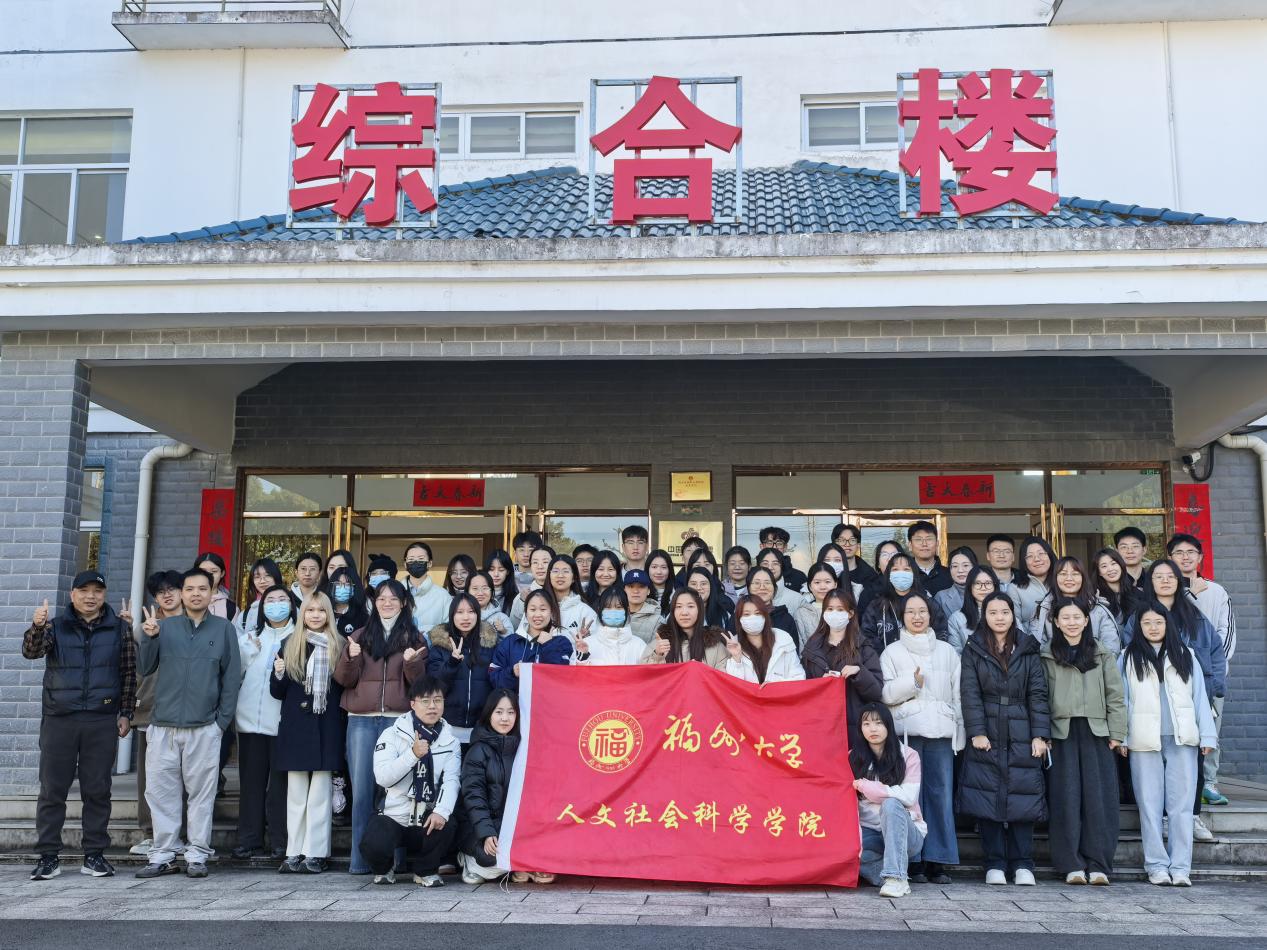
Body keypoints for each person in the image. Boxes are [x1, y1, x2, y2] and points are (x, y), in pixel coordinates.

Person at [24, 571, 136, 882]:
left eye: (97, 591)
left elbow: (129, 672)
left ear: (104, 595)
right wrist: (37, 626)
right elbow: (31, 652)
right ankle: (48, 857)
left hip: (101, 718)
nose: (91, 596)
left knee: (97, 790)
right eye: (84, 590)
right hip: (59, 718)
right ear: (73, 594)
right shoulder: (55, 626)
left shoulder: (120, 628)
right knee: (52, 790)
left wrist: (126, 712)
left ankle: (94, 855)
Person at [136, 568, 242, 880]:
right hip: (163, 726)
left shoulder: (223, 629)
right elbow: (145, 666)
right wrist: (149, 638)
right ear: (182, 594)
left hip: (204, 727)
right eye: (190, 589)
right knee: (161, 793)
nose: (196, 594)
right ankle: (164, 854)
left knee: (201, 795)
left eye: (202, 589)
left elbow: (231, 678)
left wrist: (221, 723)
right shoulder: (164, 628)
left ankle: (197, 854)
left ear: (212, 593)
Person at [1122, 559, 1225, 843]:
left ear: (1179, 581)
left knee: (1193, 765)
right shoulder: (1139, 616)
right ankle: (1164, 820)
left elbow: (1215, 652)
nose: (1165, 581)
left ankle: (1191, 816)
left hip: (1189, 699)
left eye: (1171, 576)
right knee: (1153, 772)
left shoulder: (1195, 616)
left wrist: (1215, 686)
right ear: (1150, 582)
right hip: (1150, 703)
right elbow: (1128, 652)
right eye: (1159, 576)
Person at [333, 578, 429, 876]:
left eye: (393, 598)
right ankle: (360, 862)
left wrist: (412, 663)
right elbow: (344, 680)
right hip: (361, 721)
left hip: (398, 721)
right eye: (381, 598)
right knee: (362, 793)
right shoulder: (359, 636)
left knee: (396, 794)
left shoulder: (415, 638)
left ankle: (394, 862)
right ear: (374, 603)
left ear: (404, 603)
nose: (387, 603)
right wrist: (350, 658)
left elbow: (421, 686)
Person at [1120, 604, 1217, 887]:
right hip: (1143, 740)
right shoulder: (1127, 657)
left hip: (1182, 739)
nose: (1153, 627)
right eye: (1147, 622)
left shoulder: (1186, 655)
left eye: (1158, 622)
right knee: (1149, 806)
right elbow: (1122, 700)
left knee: (1182, 807)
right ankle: (1156, 866)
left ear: (1168, 624)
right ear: (1139, 627)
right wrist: (1122, 736)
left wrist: (1207, 736)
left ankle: (1181, 867)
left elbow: (1200, 698)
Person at [958, 591, 1050, 886]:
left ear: (1013, 615)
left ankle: (1023, 863)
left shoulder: (1027, 647)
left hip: (1022, 727)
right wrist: (977, 731)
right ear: (984, 616)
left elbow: (1038, 693)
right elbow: (969, 692)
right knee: (987, 796)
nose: (999, 617)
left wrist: (1040, 735)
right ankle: (994, 862)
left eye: (1005, 612)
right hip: (987, 726)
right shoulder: (974, 647)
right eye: (993, 612)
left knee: (1023, 796)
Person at [1041, 597, 1127, 886]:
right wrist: (1042, 733)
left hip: (1097, 732)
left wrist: (1117, 732)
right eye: (1065, 617)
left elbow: (1115, 695)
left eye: (1077, 617)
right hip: (1060, 733)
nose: (1072, 622)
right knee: (1065, 799)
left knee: (1098, 799)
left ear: (1086, 620)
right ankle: (1071, 864)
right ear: (1055, 621)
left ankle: (1099, 863)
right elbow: (1040, 696)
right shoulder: (1047, 654)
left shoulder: (1101, 653)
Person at [879, 592, 963, 884]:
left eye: (922, 611)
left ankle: (938, 860)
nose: (917, 617)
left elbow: (958, 695)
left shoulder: (947, 651)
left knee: (941, 795)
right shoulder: (891, 652)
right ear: (902, 618)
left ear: (931, 615)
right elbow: (885, 694)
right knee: (909, 797)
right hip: (907, 733)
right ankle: (912, 858)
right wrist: (912, 684)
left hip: (941, 730)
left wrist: (960, 733)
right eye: (910, 612)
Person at [270, 592, 347, 874]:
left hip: (327, 725)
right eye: (310, 610)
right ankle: (294, 851)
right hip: (296, 727)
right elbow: (277, 692)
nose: (315, 615)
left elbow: (346, 684)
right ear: (302, 613)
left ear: (329, 614)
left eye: (321, 610)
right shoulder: (289, 643)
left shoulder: (340, 645)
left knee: (320, 795)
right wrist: (278, 673)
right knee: (296, 794)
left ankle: (315, 852)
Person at [361, 676, 461, 887]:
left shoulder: (450, 740)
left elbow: (451, 781)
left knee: (448, 823)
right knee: (374, 842)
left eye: (437, 700)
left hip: (426, 814)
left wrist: (441, 811)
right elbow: (383, 777)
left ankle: (425, 871)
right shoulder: (392, 734)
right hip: (393, 814)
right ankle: (384, 869)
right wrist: (412, 755)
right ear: (413, 704)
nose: (432, 706)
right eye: (425, 701)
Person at [1167, 533, 1236, 807]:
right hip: (1176, 675)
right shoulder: (1168, 591)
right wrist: (1189, 594)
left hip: (1210, 675)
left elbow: (1226, 633)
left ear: (1200, 557)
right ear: (1169, 558)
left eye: (1191, 552)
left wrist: (1216, 669)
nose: (1185, 557)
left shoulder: (1217, 592)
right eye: (1179, 552)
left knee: (1210, 730)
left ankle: (1209, 783)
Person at [232, 584, 295, 860]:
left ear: (291, 605)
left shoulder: (298, 637)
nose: (276, 604)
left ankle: (281, 841)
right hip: (250, 723)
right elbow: (234, 673)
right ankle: (249, 840)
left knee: (281, 788)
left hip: (282, 724)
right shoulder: (250, 637)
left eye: (282, 599)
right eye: (270, 600)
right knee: (251, 785)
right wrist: (247, 651)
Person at [458, 690, 546, 884]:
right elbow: (474, 798)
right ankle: (469, 860)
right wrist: (486, 833)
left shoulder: (524, 748)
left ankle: (521, 865)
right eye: (499, 712)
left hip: (511, 825)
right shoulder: (478, 750)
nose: (505, 718)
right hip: (479, 825)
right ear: (489, 714)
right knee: (489, 856)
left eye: (511, 712)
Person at [130, 570, 183, 858]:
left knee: (185, 777)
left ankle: (182, 834)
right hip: (150, 711)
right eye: (161, 591)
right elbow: (135, 672)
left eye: (172, 589)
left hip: (187, 713)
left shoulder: (195, 626)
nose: (167, 595)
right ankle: (150, 833)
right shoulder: (143, 629)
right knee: (149, 779)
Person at [852, 702, 927, 898]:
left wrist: (868, 787)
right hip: (870, 834)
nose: (873, 729)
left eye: (878, 723)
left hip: (906, 833)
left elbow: (909, 796)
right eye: (866, 724)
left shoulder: (908, 755)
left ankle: (896, 878)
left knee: (891, 805)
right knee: (845, 857)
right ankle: (893, 869)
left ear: (888, 725)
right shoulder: (852, 758)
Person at [801, 589, 882, 730]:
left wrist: (859, 672)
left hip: (855, 726)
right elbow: (802, 690)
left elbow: (876, 693)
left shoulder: (863, 646)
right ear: (824, 613)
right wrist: (819, 683)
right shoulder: (812, 648)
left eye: (840, 609)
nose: (834, 614)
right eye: (830, 609)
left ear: (850, 613)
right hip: (820, 724)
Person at [426, 593, 498, 745]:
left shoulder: (490, 646)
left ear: (478, 615)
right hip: (446, 728)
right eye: (460, 612)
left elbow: (496, 684)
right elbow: (434, 687)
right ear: (452, 615)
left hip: (481, 729)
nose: (466, 617)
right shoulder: (439, 647)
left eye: (471, 612)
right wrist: (452, 663)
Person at [860, 554, 948, 655]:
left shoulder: (927, 603)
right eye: (895, 569)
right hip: (886, 661)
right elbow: (867, 636)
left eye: (906, 569)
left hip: (924, 660)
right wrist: (886, 657)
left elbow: (941, 632)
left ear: (914, 574)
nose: (901, 573)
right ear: (889, 575)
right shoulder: (877, 605)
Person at [1030, 556, 1122, 653]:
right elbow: (1037, 648)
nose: (1069, 578)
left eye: (1075, 574)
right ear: (1055, 578)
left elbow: (1111, 649)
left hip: (1094, 662)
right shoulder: (1043, 609)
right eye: (1063, 574)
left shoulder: (1098, 610)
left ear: (1083, 578)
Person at [489, 589, 575, 691]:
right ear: (526, 613)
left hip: (548, 700)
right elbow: (494, 678)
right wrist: (512, 672)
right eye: (533, 609)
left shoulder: (561, 642)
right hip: (515, 701)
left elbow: (562, 677)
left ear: (551, 612)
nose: (537, 614)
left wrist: (549, 645)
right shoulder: (509, 642)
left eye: (543, 609)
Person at [722, 596, 805, 684]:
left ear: (765, 616)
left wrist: (775, 683)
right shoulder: (733, 644)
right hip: (749, 693)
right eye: (746, 614)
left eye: (758, 613)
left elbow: (799, 676)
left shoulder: (783, 638)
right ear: (739, 619)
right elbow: (733, 685)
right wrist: (736, 658)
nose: (753, 618)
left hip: (779, 692)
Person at [642, 589, 728, 669]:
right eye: (679, 606)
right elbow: (645, 675)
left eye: (690, 606)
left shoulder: (715, 645)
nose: (684, 612)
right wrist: (657, 656)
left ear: (700, 610)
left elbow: (722, 677)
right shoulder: (660, 642)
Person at [575, 588, 643, 666]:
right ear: (599, 610)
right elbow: (576, 672)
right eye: (607, 607)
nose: (613, 611)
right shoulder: (586, 644)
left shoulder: (639, 645)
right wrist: (582, 658)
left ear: (627, 610)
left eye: (618, 607)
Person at [544, 554, 599, 641]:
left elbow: (595, 643)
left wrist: (586, 640)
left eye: (566, 571)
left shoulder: (585, 611)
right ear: (549, 575)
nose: (560, 575)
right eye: (555, 571)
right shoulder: (538, 605)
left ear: (574, 577)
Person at [404, 542, 452, 637]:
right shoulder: (396, 593)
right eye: (411, 559)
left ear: (429, 563)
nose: (416, 562)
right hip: (399, 645)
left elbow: (449, 627)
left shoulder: (442, 595)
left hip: (433, 645)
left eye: (421, 559)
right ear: (405, 564)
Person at [948, 566, 998, 655]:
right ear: (970, 587)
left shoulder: (1007, 613)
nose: (983, 588)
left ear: (995, 586)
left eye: (988, 583)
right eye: (977, 583)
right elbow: (955, 654)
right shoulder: (956, 619)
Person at [1010, 536, 1056, 629]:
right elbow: (1015, 624)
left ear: (1050, 555)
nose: (1037, 559)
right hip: (1030, 638)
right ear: (1024, 561)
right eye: (1030, 556)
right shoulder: (1015, 588)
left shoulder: (1063, 581)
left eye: (1041, 553)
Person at [795, 563, 841, 646]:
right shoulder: (801, 613)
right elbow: (801, 646)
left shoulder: (844, 609)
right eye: (817, 582)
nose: (822, 587)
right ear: (810, 586)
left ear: (835, 584)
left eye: (827, 582)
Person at [508, 545, 554, 629]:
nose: (540, 567)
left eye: (545, 562)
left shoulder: (561, 592)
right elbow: (513, 626)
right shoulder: (522, 596)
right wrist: (522, 602)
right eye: (535, 562)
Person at [1091, 547, 1137, 627]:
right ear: (1099, 572)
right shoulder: (1096, 598)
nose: (1110, 569)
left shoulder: (1137, 594)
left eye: (1113, 563)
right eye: (1104, 566)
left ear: (1121, 565)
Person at [238, 558, 286, 634]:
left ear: (276, 577)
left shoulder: (288, 608)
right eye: (257, 577)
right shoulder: (245, 615)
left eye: (267, 575)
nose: (262, 581)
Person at [907, 521, 951, 596]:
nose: (924, 544)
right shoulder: (905, 575)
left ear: (937, 543)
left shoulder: (950, 575)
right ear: (910, 545)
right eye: (918, 539)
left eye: (929, 539)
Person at [756, 547, 804, 615]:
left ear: (782, 567)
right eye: (765, 563)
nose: (770, 567)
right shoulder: (748, 596)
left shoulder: (797, 599)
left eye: (775, 563)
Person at [688, 565, 735, 632]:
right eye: (693, 584)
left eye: (703, 584)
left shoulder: (724, 614)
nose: (698, 588)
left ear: (711, 586)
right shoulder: (679, 612)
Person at [934, 546, 977, 620]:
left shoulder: (985, 592)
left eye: (965, 565)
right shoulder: (941, 597)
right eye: (955, 566)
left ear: (974, 567)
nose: (960, 570)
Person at [758, 526, 806, 592]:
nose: (774, 547)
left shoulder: (799, 577)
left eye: (779, 543)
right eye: (769, 543)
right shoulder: (751, 575)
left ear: (785, 547)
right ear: (762, 546)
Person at [832, 523, 879, 590]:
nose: (847, 544)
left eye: (852, 540)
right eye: (842, 540)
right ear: (834, 545)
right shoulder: (826, 572)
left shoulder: (870, 576)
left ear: (858, 545)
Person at [467, 570, 512, 639]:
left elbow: (511, 641)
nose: (480, 593)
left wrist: (503, 631)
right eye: (475, 588)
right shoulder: (460, 615)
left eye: (485, 588)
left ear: (492, 591)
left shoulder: (501, 618)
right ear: (467, 591)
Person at [196, 552, 238, 623]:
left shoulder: (231, 608)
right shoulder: (185, 601)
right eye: (203, 571)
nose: (208, 575)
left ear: (222, 573)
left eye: (214, 571)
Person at [328, 565, 369, 639]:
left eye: (347, 584)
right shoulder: (324, 610)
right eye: (338, 584)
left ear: (354, 587)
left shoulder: (361, 617)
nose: (342, 588)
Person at [622, 569, 662, 644]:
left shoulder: (658, 620)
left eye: (641, 586)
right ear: (624, 589)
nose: (636, 591)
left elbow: (657, 648)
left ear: (648, 590)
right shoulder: (615, 613)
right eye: (631, 586)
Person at [645, 549, 676, 615]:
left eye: (663, 567)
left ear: (669, 569)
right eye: (654, 567)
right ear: (647, 569)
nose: (659, 572)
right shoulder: (641, 594)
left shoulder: (677, 594)